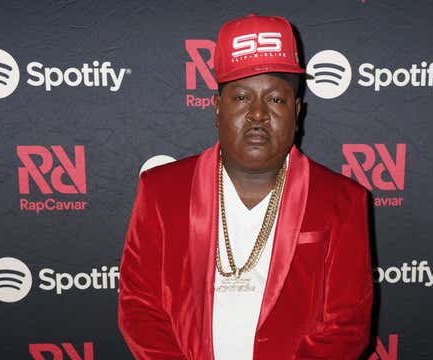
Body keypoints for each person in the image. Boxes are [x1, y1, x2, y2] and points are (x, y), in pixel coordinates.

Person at [118, 14, 372, 360]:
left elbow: (347, 326)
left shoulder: (342, 200)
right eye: (241, 97)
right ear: (217, 108)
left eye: (276, 100)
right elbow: (140, 307)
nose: (257, 114)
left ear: (297, 112)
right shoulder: (161, 191)